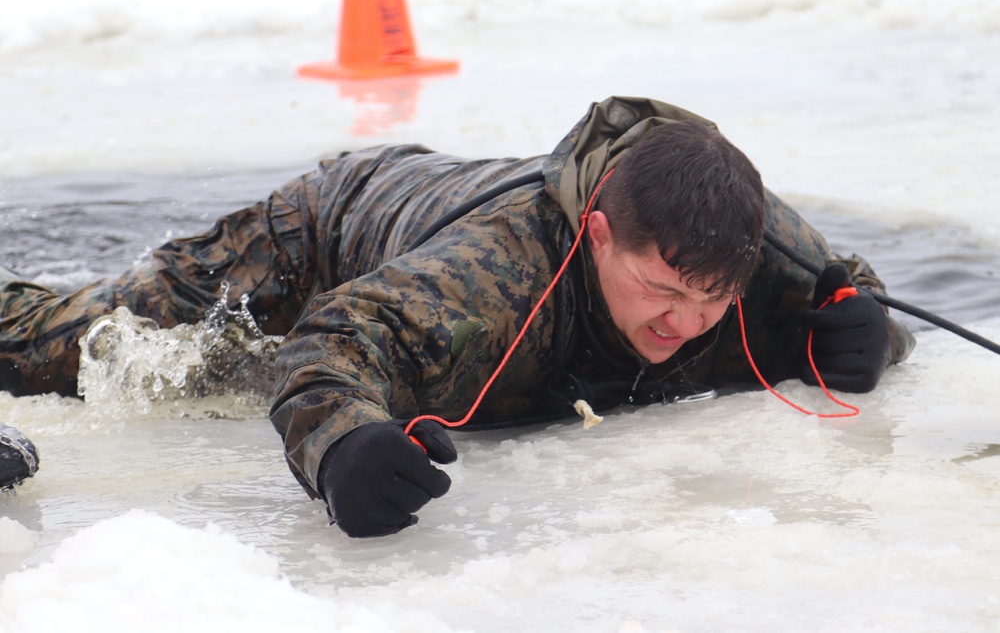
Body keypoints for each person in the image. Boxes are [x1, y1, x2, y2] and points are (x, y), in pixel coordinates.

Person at [0, 97, 914, 536]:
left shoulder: (756, 246)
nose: (686, 323)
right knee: (85, 346)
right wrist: (342, 446)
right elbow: (332, 339)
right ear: (596, 235)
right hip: (324, 225)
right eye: (661, 291)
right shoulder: (499, 275)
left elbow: (852, 288)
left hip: (435, 209)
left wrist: (871, 329)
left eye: (711, 299)